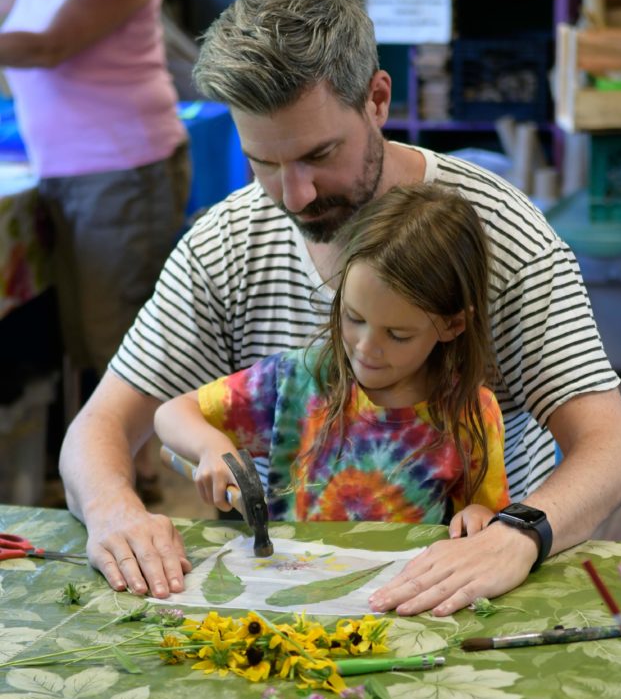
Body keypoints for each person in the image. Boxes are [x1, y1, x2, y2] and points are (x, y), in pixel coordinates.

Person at [58, 0, 621, 614]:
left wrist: (519, 532)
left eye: (318, 154)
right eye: (264, 163)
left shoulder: (498, 232)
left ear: (378, 99)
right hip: (281, 589)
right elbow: (100, 427)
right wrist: (116, 514)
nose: (295, 195)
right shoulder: (226, 242)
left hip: (463, 582)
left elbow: (612, 452)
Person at [154, 184, 510, 527]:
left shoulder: (471, 413)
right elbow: (171, 414)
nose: (366, 347)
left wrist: (478, 517)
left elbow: (485, 514)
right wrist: (210, 446)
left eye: (398, 335)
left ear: (452, 325)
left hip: (402, 586)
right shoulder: (293, 383)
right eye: (354, 317)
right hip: (293, 582)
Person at [0, 0, 190, 500]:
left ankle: (140, 477)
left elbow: (48, 45)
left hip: (123, 167)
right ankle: (110, 470)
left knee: (120, 329)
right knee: (82, 329)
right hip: (62, 167)